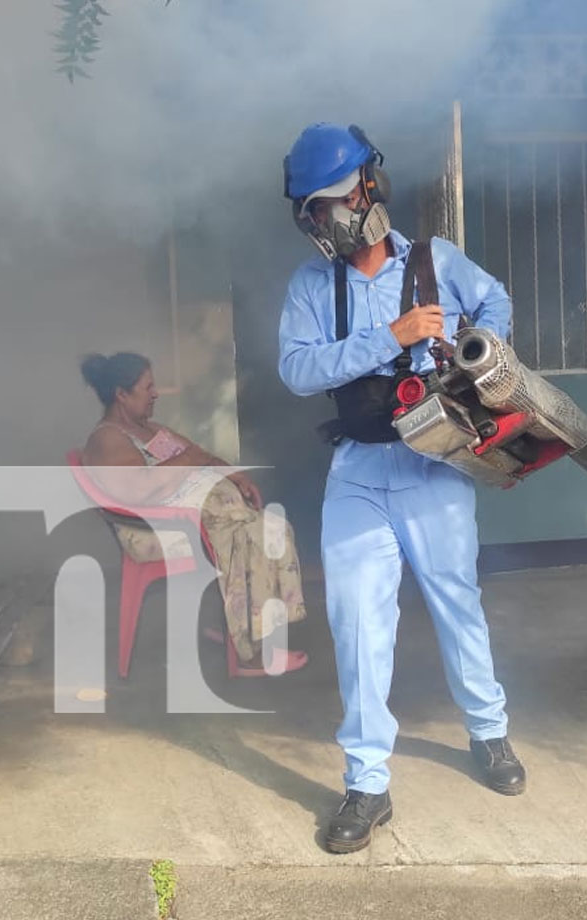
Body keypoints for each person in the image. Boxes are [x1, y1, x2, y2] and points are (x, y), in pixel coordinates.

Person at [276, 122, 525, 854]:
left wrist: (484, 362)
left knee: (457, 603)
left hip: (435, 466)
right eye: (315, 211)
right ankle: (367, 782)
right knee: (356, 623)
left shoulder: (434, 261)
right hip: (358, 470)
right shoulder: (311, 286)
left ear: (368, 188)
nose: (328, 221)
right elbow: (297, 370)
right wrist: (391, 334)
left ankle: (490, 733)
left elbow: (496, 300)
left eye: (332, 203)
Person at [79, 352, 309, 677]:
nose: (155, 394)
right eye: (148, 387)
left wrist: (234, 476)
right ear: (121, 395)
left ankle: (235, 627)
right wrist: (189, 461)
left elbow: (201, 455)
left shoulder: (149, 430)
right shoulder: (108, 439)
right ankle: (250, 653)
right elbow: (141, 489)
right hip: (158, 531)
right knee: (257, 536)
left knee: (269, 528)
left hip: (197, 521)